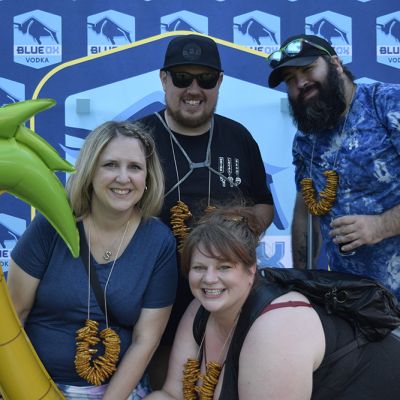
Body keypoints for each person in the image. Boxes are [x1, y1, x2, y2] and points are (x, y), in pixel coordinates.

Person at [145, 206, 400, 400]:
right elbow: (172, 394)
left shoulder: (276, 328)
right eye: (199, 267)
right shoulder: (198, 311)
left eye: (224, 267)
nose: (209, 279)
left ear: (251, 270)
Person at [137, 34, 274, 385]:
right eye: (182, 78)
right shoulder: (139, 137)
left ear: (220, 82)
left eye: (206, 79)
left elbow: (264, 205)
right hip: (156, 298)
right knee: (168, 382)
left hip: (227, 295)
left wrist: (240, 225)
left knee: (227, 382)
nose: (193, 89)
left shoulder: (238, 136)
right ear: (164, 79)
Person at [7, 121, 178, 399]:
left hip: (116, 393)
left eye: (134, 167)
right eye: (110, 165)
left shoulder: (159, 242)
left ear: (148, 177)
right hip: (32, 387)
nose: (123, 178)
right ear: (89, 171)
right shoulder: (51, 226)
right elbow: (15, 315)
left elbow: (145, 340)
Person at [267, 33, 400, 299]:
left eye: (307, 69)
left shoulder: (386, 103)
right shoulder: (306, 138)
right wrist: (301, 281)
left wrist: (380, 226)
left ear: (336, 64)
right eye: (290, 80)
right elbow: (306, 211)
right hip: (355, 302)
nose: (301, 83)